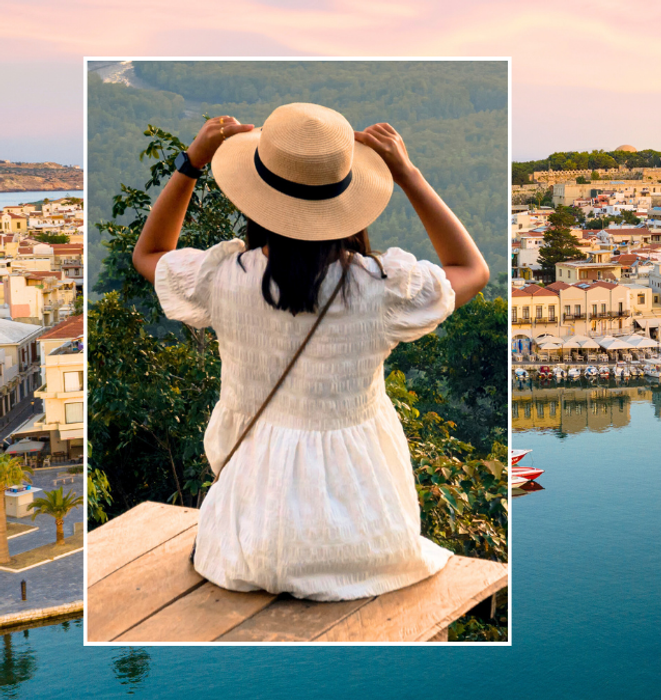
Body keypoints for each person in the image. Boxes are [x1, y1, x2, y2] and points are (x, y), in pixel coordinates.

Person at [131, 103, 490, 601]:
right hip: (368, 543)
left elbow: (148, 253)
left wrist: (191, 163)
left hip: (248, 542)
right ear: (348, 201)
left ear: (257, 199)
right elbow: (472, 269)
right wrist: (407, 175)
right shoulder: (382, 288)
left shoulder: (221, 280)